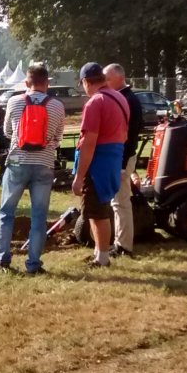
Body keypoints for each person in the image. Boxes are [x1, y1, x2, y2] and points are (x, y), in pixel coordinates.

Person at [0, 63, 66, 274]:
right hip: (43, 163)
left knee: (7, 212)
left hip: (17, 161)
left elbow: (7, 131)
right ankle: (33, 264)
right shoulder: (57, 106)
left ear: (27, 82)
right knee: (39, 215)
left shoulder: (14, 101)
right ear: (47, 83)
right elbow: (59, 137)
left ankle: (3, 259)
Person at [72, 62, 130, 267]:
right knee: (101, 208)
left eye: (83, 84)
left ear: (87, 82)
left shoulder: (95, 103)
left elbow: (89, 143)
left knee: (97, 213)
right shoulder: (120, 98)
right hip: (114, 160)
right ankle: (98, 252)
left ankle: (103, 258)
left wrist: (79, 178)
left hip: (98, 165)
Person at [104, 63, 144, 257]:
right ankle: (121, 243)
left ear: (120, 78)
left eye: (107, 79)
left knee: (121, 202)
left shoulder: (127, 100)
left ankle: (124, 246)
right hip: (123, 156)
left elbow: (128, 134)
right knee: (118, 202)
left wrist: (120, 165)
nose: (105, 83)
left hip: (123, 157)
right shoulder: (126, 98)